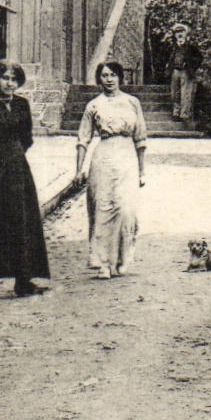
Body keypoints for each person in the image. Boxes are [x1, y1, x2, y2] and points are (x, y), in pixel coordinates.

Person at [0, 60, 51, 299]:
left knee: (22, 224)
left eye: (14, 79)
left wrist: (14, 159)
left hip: (18, 172)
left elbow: (27, 139)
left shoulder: (22, 105)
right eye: (5, 78)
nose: (10, 83)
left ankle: (23, 281)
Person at [75, 60, 147, 278]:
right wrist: (78, 170)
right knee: (103, 208)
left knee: (126, 209)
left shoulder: (132, 102)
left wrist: (142, 171)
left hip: (127, 157)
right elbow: (83, 139)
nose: (109, 79)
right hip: (103, 157)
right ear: (99, 79)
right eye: (104, 75)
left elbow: (141, 138)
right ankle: (104, 263)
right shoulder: (94, 105)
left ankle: (123, 259)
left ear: (120, 77)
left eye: (113, 75)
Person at [166, 22, 202, 125]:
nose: (179, 34)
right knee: (175, 93)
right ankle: (176, 113)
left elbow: (199, 58)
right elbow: (169, 59)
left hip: (186, 72)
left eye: (181, 31)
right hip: (175, 71)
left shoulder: (190, 47)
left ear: (185, 33)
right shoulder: (173, 46)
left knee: (185, 93)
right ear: (175, 35)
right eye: (177, 32)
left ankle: (184, 115)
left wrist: (191, 65)